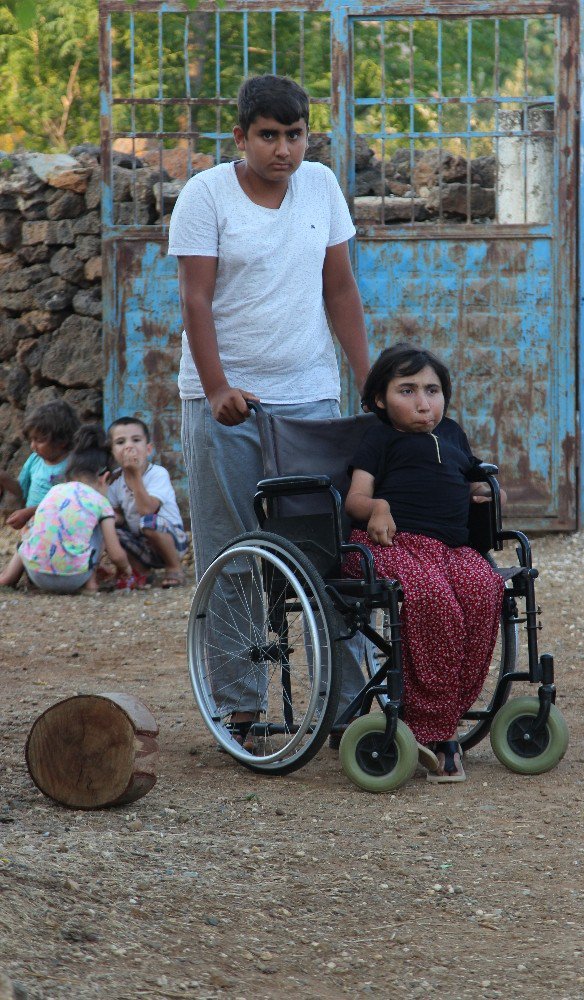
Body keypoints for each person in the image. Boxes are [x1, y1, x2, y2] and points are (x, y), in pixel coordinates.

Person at [168, 73, 370, 733]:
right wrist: (219, 386)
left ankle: (350, 707)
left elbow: (339, 289)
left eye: (296, 135)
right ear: (240, 136)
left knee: (327, 554)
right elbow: (197, 299)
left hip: (310, 397)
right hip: (226, 404)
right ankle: (238, 703)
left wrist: (371, 383)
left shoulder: (322, 186)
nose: (284, 150)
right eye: (269, 136)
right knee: (233, 552)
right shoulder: (206, 195)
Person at [343, 343, 507, 784]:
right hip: (390, 546)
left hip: (451, 549)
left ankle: (443, 717)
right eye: (408, 390)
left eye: (433, 391)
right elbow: (355, 498)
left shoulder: (452, 434)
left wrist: (489, 493)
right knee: (433, 599)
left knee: (484, 589)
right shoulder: (379, 437)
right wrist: (378, 507)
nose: (423, 403)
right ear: (380, 399)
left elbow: (477, 479)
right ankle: (432, 729)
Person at [18, 425, 133, 594]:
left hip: (36, 574)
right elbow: (116, 554)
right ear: (105, 478)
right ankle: (90, 584)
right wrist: (126, 569)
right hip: (73, 578)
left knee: (40, 526)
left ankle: (10, 577)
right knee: (100, 525)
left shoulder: (54, 491)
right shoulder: (100, 501)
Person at [0, 400, 79, 588]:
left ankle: (7, 579)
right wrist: (4, 479)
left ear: (62, 441)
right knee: (30, 540)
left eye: (40, 440)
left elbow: (66, 501)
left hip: (58, 527)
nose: (34, 446)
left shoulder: (72, 464)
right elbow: (21, 490)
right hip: (31, 525)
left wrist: (29, 513)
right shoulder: (34, 460)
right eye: (31, 440)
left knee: (31, 540)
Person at [107, 417, 188, 589]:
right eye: (121, 442)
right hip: (141, 543)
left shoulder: (158, 474)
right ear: (113, 452)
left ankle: (174, 568)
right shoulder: (115, 481)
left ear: (148, 449)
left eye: (136, 440)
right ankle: (141, 572)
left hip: (172, 541)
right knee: (110, 528)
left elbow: (147, 510)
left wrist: (134, 474)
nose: (129, 446)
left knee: (148, 522)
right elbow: (118, 515)